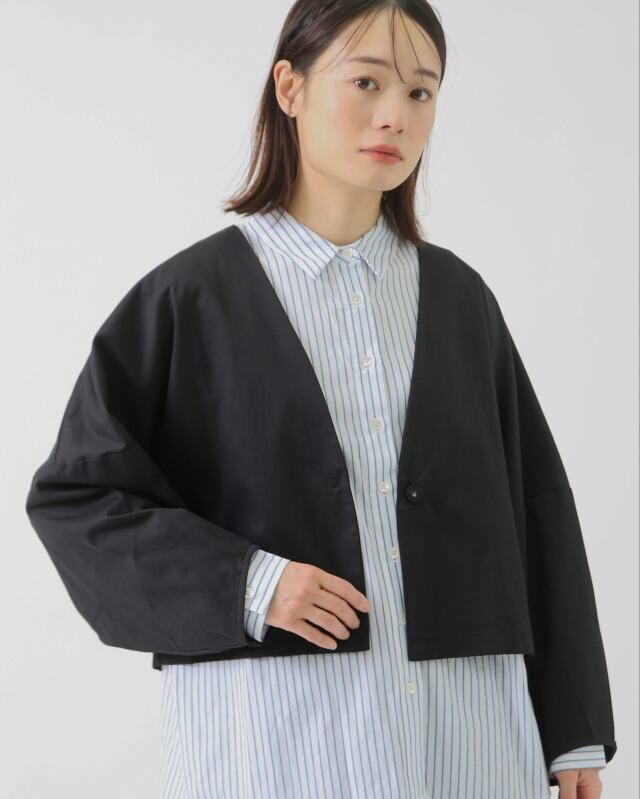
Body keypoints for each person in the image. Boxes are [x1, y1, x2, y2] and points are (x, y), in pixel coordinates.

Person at [25, 2, 616, 798]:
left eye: (420, 92)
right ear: (290, 88)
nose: (395, 115)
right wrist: (253, 583)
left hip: (467, 738)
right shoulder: (190, 300)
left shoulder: (459, 300)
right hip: (275, 744)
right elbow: (78, 499)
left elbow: (536, 506)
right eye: (366, 82)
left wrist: (573, 728)